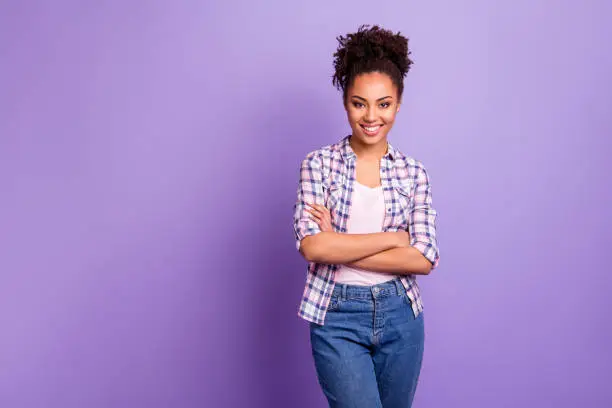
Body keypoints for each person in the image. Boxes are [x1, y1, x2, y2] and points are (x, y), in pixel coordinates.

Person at [292, 25, 440, 408]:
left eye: (384, 104)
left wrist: (337, 246)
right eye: (359, 103)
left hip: (401, 315)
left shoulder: (413, 172)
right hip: (336, 314)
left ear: (398, 104)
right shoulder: (319, 165)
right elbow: (312, 247)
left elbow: (423, 259)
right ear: (345, 103)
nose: (371, 116)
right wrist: (393, 239)